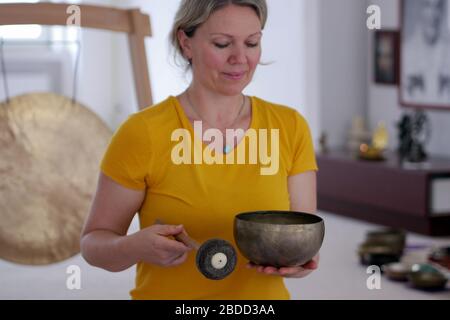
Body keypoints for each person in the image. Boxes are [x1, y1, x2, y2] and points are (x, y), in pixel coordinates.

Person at [81, 0, 319, 300]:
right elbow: (93, 244)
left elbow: (303, 243)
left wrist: (300, 263)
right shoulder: (142, 133)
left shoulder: (291, 127)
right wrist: (133, 246)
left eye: (252, 43)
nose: (240, 58)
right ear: (186, 43)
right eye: (222, 44)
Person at [403, 0, 450, 105]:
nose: (433, 14)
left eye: (437, 7)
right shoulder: (407, 52)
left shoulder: (448, 52)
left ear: (442, 12)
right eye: (428, 6)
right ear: (420, 10)